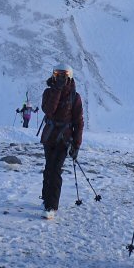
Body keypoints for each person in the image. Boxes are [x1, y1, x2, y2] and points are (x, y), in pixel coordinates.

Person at [40, 63, 84, 219]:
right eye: (57, 75)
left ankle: (52, 206)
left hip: (64, 139)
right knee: (48, 167)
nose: (60, 78)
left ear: (69, 77)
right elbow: (49, 110)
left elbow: (79, 122)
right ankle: (45, 199)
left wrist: (76, 145)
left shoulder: (75, 97)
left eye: (63, 76)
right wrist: (57, 90)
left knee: (56, 169)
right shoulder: (48, 93)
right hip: (50, 136)